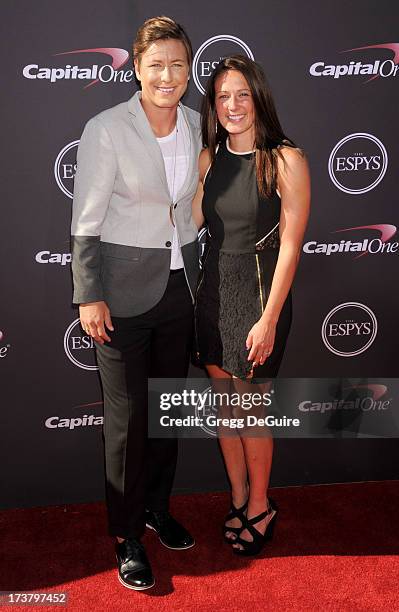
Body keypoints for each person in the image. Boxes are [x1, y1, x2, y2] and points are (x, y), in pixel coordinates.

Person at [71, 16, 202, 590]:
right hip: (121, 297)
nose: (168, 75)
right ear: (138, 69)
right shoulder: (106, 127)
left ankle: (156, 508)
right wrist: (88, 294)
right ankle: (126, 537)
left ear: (189, 67)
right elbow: (86, 221)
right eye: (156, 65)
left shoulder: (199, 123)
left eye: (178, 63)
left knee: (166, 411)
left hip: (181, 290)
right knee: (127, 425)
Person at [192, 55, 310, 556]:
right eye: (222, 96)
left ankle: (261, 504)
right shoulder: (209, 159)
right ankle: (238, 495)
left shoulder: (286, 159)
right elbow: (189, 219)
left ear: (258, 97)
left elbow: (291, 246)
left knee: (252, 411)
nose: (233, 105)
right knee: (227, 409)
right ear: (213, 105)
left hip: (260, 296)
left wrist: (269, 318)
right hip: (214, 291)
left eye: (242, 94)